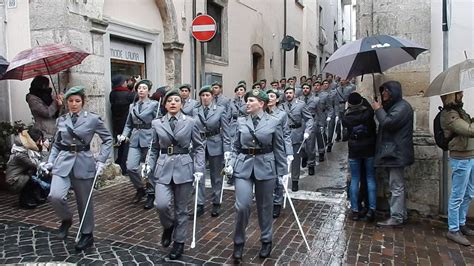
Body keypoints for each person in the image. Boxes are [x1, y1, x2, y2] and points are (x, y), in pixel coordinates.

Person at [43, 86, 112, 251]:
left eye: (77, 101)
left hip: (84, 162)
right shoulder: (62, 120)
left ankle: (87, 234)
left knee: (84, 202)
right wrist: (50, 161)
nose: (74, 104)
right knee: (55, 195)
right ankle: (66, 219)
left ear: (83, 102)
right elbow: (57, 144)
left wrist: (102, 160)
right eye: (70, 101)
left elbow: (108, 139)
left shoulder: (92, 119)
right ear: (66, 102)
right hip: (63, 162)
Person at [225, 89, 287, 262]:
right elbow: (235, 146)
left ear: (261, 103)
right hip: (243, 167)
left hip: (266, 166)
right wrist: (230, 163)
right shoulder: (241, 121)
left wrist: (283, 173)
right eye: (247, 100)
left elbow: (279, 148)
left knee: (265, 207)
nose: (247, 103)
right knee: (242, 206)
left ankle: (266, 240)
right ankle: (238, 243)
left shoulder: (274, 122)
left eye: (251, 100)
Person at [145, 89, 205, 260]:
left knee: (181, 209)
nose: (173, 103)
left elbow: (199, 147)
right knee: (161, 204)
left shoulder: (191, 122)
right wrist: (149, 164)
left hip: (184, 166)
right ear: (164, 104)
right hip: (163, 167)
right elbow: (154, 147)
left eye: (176, 100)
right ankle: (168, 226)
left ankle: (179, 243)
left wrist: (199, 169)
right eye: (169, 100)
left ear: (181, 104)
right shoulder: (157, 123)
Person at [371, 81, 414, 227]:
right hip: (393, 152)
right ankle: (400, 214)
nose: (383, 94)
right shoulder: (396, 106)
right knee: (395, 184)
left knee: (396, 185)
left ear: (393, 92)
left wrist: (378, 109)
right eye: (382, 91)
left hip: (397, 153)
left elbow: (388, 123)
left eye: (386, 91)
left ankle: (396, 217)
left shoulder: (402, 107)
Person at [117, 80, 159, 210]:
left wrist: (158, 136)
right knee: (130, 167)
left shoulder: (154, 105)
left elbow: (159, 121)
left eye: (144, 88)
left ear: (148, 91)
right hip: (135, 138)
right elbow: (129, 124)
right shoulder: (132, 106)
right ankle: (140, 188)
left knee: (149, 168)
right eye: (139, 88)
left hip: (149, 138)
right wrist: (125, 135)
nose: (141, 90)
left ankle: (152, 193)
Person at [440, 91, 474, 246]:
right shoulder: (449, 114)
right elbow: (468, 130)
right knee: (457, 195)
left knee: (469, 193)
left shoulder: (460, 111)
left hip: (470, 156)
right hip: (460, 158)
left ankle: (461, 223)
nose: (461, 95)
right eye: (458, 93)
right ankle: (453, 229)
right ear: (450, 96)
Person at [193, 85, 231, 217]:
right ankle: (199, 204)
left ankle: (216, 202)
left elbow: (226, 132)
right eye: (202, 95)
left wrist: (227, 150)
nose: (205, 98)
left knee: (216, 176)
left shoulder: (220, 110)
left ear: (212, 96)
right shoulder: (195, 110)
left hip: (216, 143)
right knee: (199, 174)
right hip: (199, 145)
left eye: (207, 95)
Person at [341, 92, 377, 222]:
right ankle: (372, 209)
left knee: (355, 179)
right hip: (369, 148)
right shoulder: (368, 113)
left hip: (354, 149)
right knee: (370, 178)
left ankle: (355, 210)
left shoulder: (346, 116)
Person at [266, 89, 293, 218]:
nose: (269, 98)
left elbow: (286, 134)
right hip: (264, 149)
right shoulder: (261, 113)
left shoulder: (282, 115)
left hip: (277, 149)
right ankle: (266, 201)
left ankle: (277, 203)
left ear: (277, 99)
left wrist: (289, 152)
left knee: (278, 178)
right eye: (268, 96)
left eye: (272, 96)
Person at [280, 87, 313, 191]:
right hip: (284, 135)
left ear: (294, 94)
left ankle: (295, 181)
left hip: (296, 134)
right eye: (287, 93)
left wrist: (307, 131)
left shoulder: (301, 104)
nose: (288, 95)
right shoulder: (281, 106)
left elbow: (309, 119)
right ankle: (282, 180)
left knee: (295, 160)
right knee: (283, 159)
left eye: (290, 93)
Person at [6, 128, 47, 209]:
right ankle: (25, 201)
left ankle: (35, 197)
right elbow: (37, 165)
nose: (40, 143)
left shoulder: (27, 150)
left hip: (21, 175)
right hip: (13, 181)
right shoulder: (21, 153)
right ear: (32, 140)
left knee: (36, 174)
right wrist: (45, 150)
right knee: (33, 178)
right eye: (39, 141)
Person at [109, 74, 136, 175]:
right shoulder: (127, 94)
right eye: (125, 81)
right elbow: (136, 96)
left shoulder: (112, 94)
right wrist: (135, 84)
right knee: (126, 146)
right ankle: (124, 167)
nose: (126, 83)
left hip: (117, 123)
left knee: (120, 145)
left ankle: (119, 162)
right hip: (126, 124)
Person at [26, 75, 64, 140]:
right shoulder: (32, 99)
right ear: (41, 85)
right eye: (47, 85)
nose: (49, 87)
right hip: (43, 131)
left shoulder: (46, 95)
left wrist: (59, 104)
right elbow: (47, 113)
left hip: (54, 129)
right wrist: (55, 102)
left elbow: (55, 113)